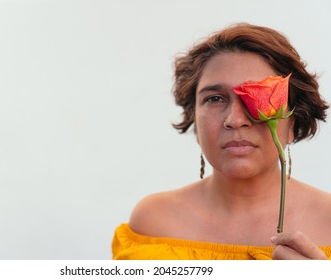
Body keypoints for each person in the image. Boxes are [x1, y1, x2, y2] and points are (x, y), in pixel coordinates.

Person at [112, 23, 331, 260]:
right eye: (215, 98)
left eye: (258, 97)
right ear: (193, 116)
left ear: (294, 122)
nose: (235, 120)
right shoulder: (152, 223)